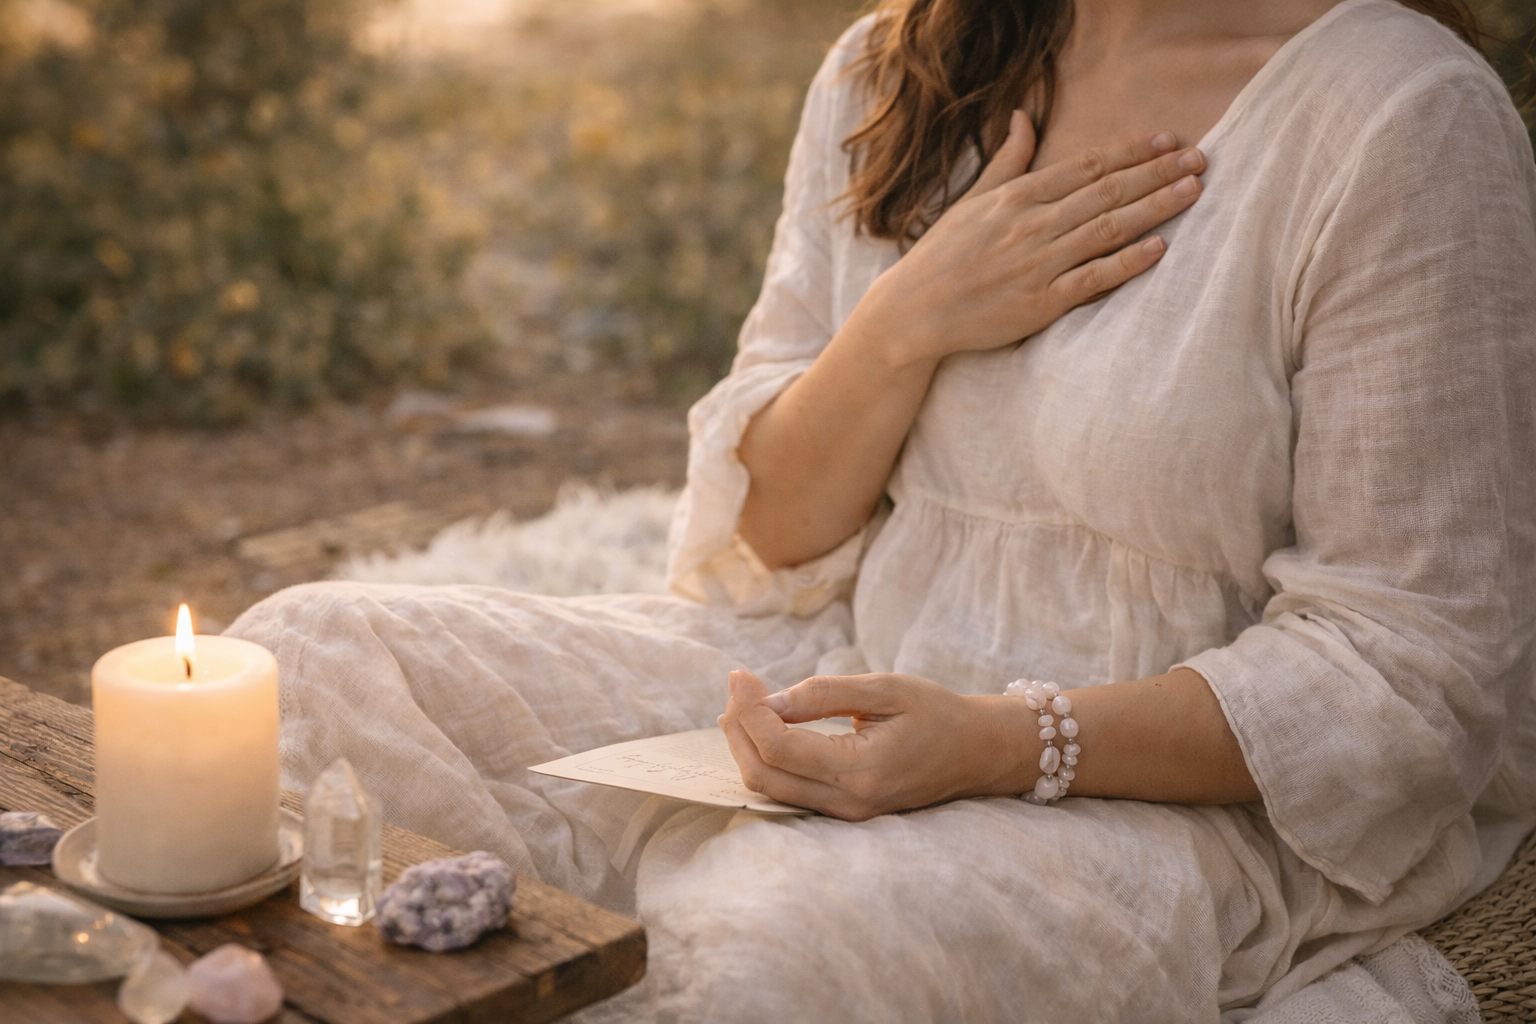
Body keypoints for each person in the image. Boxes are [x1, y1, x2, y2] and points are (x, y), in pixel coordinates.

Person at [230, 0, 1536, 1019]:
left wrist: (999, 743)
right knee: (300, 666)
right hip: (859, 667)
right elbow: (777, 537)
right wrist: (912, 316)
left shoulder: (1397, 116)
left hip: (1180, 790)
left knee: (776, 938)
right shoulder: (893, 69)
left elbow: (1407, 682)